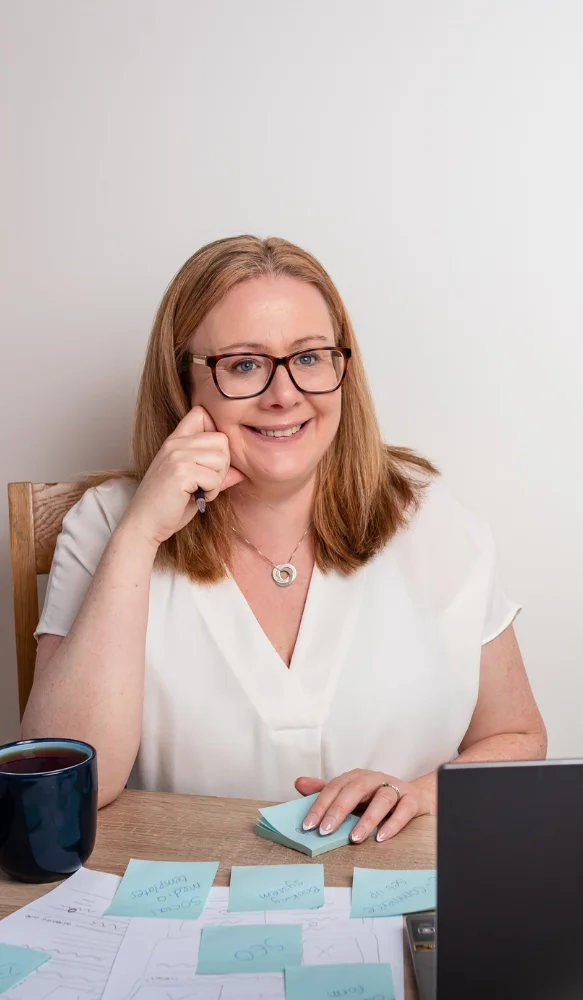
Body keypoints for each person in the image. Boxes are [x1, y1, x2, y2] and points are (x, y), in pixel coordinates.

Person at [20, 235, 547, 843]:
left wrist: (421, 794)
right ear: (182, 384)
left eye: (309, 357)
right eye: (244, 364)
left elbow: (518, 736)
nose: (284, 394)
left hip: (392, 900)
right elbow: (61, 786)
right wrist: (141, 534)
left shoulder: (428, 514)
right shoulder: (109, 524)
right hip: (188, 909)